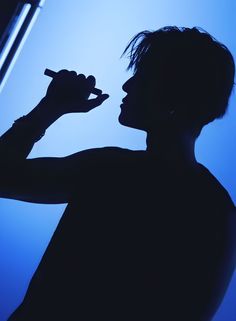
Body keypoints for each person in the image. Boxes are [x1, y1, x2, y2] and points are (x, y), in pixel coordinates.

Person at [1, 26, 236, 321]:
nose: (128, 86)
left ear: (174, 97)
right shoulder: (219, 210)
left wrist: (50, 107)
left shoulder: (109, 169)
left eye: (143, 77)